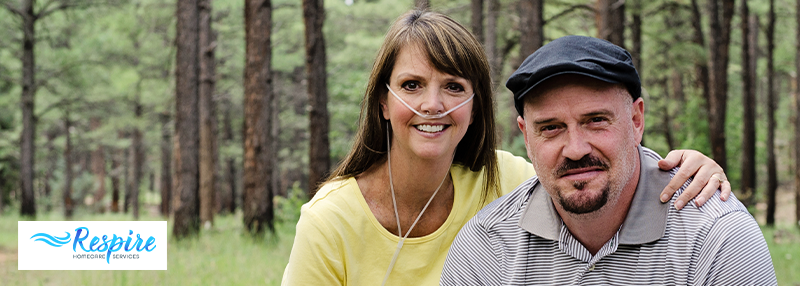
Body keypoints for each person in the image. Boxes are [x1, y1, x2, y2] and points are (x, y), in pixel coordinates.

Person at [282, 11, 731, 286]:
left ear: (475, 107)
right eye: (412, 85)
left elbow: (586, 165)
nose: (432, 104)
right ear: (383, 101)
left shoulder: (509, 179)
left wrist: (680, 165)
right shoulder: (330, 221)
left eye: (453, 86)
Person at [440, 35, 777, 285]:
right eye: (551, 128)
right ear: (526, 137)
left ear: (636, 121)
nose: (575, 148)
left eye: (596, 120)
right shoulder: (486, 246)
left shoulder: (715, 236)